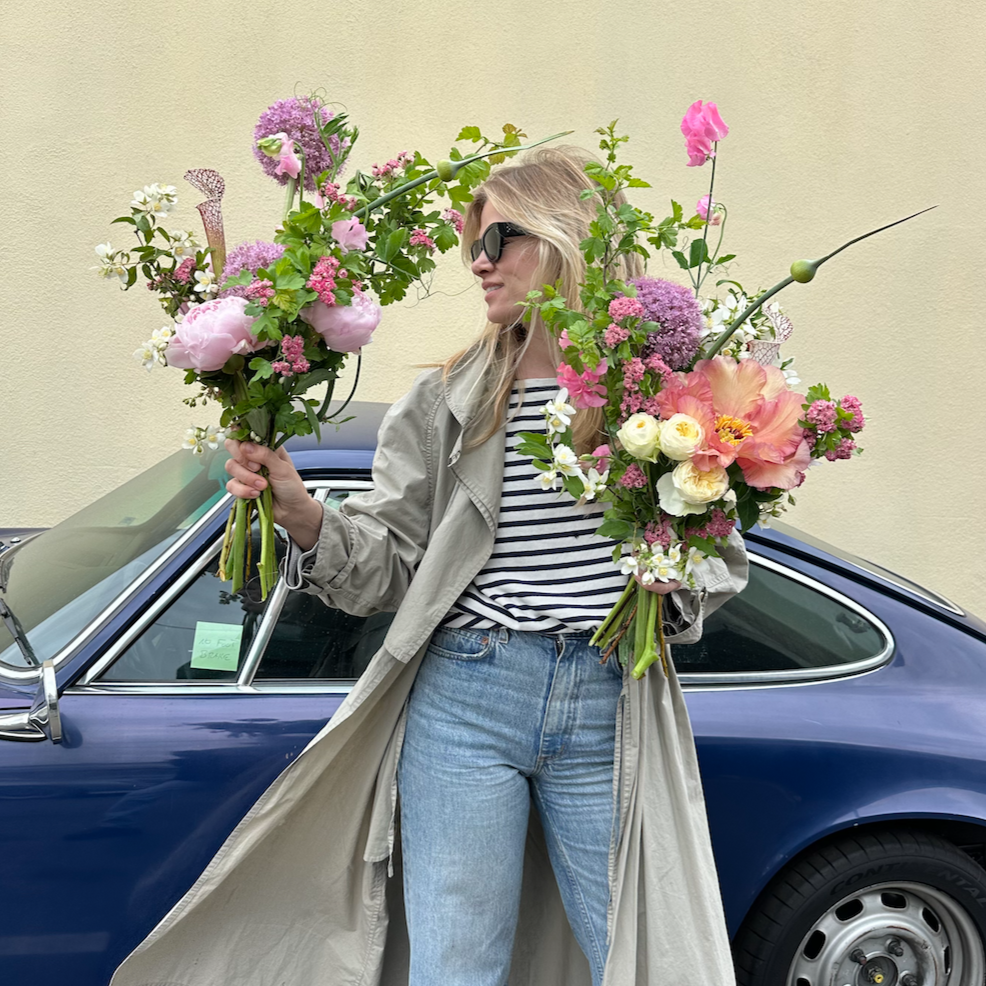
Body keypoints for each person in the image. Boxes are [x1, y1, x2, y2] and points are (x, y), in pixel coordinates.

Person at [110, 147, 748, 986]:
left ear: (566, 237)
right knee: (455, 966)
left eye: (500, 240)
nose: (479, 263)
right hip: (466, 700)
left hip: (608, 702)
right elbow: (385, 568)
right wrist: (303, 514)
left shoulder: (663, 397)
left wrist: (675, 581)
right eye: (473, 246)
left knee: (644, 957)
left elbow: (721, 557)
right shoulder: (448, 399)